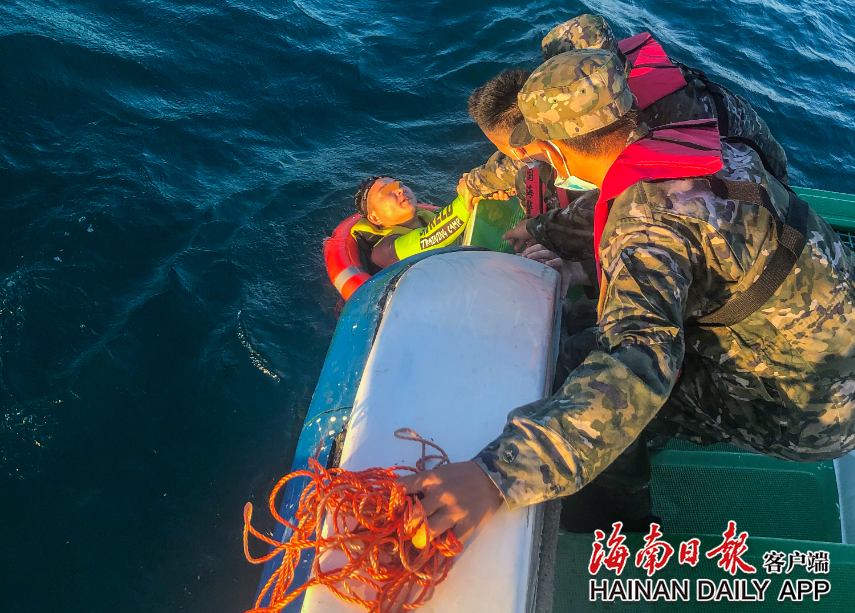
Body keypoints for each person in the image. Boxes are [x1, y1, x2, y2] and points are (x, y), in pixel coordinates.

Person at [398, 49, 855, 544]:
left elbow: (635, 365)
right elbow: (666, 214)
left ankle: (616, 524)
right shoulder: (696, 141)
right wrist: (551, 234)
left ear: (555, 152)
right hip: (822, 333)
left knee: (578, 364)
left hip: (812, 409)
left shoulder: (644, 228)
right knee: (587, 322)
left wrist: (495, 475)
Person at [464, 13, 789, 226]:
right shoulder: (612, 91)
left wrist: (542, 230)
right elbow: (537, 140)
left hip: (749, 196)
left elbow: (630, 198)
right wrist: (478, 182)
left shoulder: (644, 116)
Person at [351, 176, 475, 271]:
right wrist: (467, 195)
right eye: (386, 190)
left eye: (400, 184)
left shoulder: (434, 216)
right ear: (375, 218)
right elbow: (430, 238)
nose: (399, 189)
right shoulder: (383, 252)